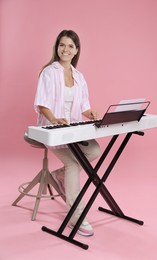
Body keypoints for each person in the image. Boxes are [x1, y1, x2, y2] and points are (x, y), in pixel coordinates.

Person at [34, 30, 100, 236]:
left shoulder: (79, 76)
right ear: (57, 48)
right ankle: (76, 215)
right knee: (73, 163)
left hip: (73, 130)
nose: (65, 49)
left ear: (76, 51)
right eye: (62, 45)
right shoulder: (48, 72)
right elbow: (41, 103)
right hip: (52, 128)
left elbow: (84, 106)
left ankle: (59, 176)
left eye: (70, 46)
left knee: (95, 150)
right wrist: (54, 119)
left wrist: (91, 113)